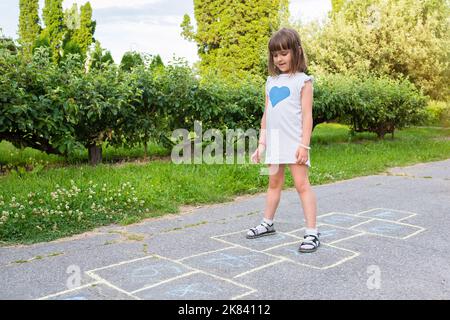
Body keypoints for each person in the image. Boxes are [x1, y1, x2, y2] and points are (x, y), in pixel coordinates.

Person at [248, 27, 320, 253]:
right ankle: (267, 223)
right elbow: (267, 115)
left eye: (284, 53)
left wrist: (304, 145)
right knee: (273, 183)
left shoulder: (303, 81)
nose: (279, 58)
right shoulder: (270, 82)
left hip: (295, 142)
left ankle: (312, 232)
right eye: (275, 54)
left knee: (301, 185)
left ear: (296, 52)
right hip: (276, 142)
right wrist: (261, 144)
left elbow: (308, 116)